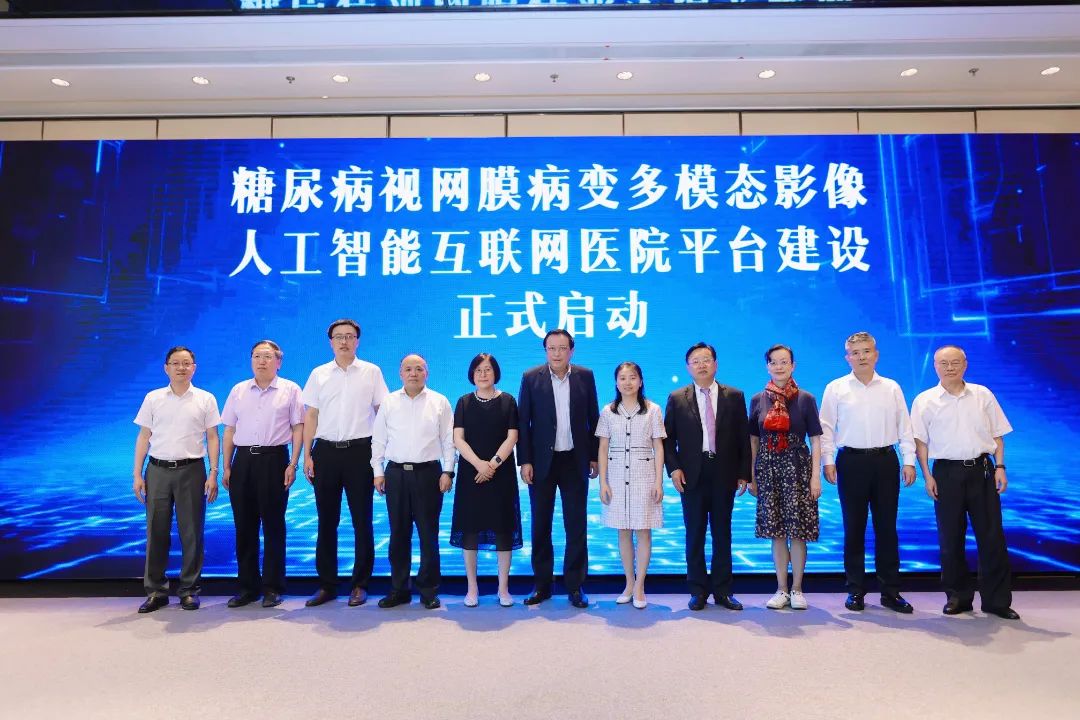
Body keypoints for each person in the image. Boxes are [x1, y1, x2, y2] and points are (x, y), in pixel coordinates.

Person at [911, 345, 1019, 620]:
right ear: (935, 366)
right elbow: (920, 442)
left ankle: (996, 601)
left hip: (982, 470)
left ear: (965, 364)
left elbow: (997, 435)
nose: (950, 367)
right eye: (944, 363)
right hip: (945, 473)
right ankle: (958, 597)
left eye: (955, 362)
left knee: (992, 537)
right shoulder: (924, 400)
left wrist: (1000, 467)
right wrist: (927, 476)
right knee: (950, 538)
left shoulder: (983, 394)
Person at [820, 331, 916, 613]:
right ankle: (855, 590)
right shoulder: (836, 388)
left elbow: (904, 425)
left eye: (866, 351)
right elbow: (826, 428)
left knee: (887, 528)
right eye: (855, 352)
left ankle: (890, 592)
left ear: (876, 354)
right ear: (847, 357)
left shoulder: (891, 387)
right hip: (850, 462)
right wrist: (828, 460)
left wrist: (909, 460)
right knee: (854, 528)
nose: (861, 357)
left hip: (885, 461)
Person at [301, 319, 389, 608]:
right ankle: (327, 585)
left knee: (362, 520)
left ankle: (360, 584)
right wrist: (307, 454)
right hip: (325, 452)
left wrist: (380, 457)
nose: (344, 341)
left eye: (349, 336)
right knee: (326, 521)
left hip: (360, 452)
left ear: (357, 341)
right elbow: (311, 415)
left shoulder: (371, 372)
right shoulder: (319, 374)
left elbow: (383, 412)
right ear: (330, 342)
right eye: (338, 337)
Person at [132, 346, 221, 613]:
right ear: (166, 368)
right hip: (157, 470)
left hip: (192, 470)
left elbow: (213, 437)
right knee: (156, 531)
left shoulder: (205, 398)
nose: (181, 368)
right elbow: (144, 436)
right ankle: (156, 591)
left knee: (191, 532)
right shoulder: (153, 398)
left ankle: (189, 590)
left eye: (186, 363)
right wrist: (137, 474)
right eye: (175, 363)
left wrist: (213, 472)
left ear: (194, 367)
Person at [663, 342, 751, 612]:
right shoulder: (677, 397)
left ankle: (723, 591)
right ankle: (698, 590)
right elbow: (667, 439)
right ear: (688, 367)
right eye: (695, 361)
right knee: (695, 533)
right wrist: (674, 468)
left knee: (723, 533)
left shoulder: (734, 396)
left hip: (724, 472)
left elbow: (743, 437)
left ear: (715, 364)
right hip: (691, 474)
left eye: (706, 359)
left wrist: (744, 473)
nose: (701, 365)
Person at [517, 329, 600, 609]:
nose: (557, 353)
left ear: (571, 351)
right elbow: (523, 423)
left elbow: (593, 418)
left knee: (576, 525)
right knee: (541, 524)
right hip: (542, 462)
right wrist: (525, 461)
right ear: (545, 350)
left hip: (575, 460)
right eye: (551, 348)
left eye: (562, 348)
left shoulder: (585, 376)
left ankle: (575, 586)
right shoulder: (531, 377)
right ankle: (542, 585)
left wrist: (594, 457)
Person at [220, 340, 304, 609]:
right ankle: (247, 587)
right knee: (244, 526)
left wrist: (293, 463)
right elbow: (229, 430)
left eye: (267, 356)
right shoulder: (238, 390)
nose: (261, 361)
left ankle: (272, 587)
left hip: (274, 459)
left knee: (273, 525)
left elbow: (298, 428)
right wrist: (227, 465)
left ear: (278, 362)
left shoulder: (290, 389)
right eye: (257, 356)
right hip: (243, 460)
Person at [372, 354, 456, 609]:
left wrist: (448, 471)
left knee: (428, 534)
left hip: (429, 474)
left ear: (426, 373)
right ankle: (399, 589)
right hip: (396, 474)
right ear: (400, 373)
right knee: (398, 534)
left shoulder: (439, 401)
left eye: (419, 369)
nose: (413, 373)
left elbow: (448, 440)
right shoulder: (389, 402)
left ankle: (428, 590)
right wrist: (378, 471)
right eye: (408, 369)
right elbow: (379, 439)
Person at [747, 345, 822, 611]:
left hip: (798, 468)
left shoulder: (806, 398)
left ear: (793, 365)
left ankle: (797, 589)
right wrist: (752, 475)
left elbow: (815, 440)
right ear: (767, 366)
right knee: (776, 532)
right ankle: (781, 589)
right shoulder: (758, 399)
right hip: (768, 469)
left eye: (784, 362)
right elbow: (753, 441)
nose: (779, 367)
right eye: (773, 362)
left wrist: (815, 477)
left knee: (798, 532)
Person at [450, 353, 522, 608]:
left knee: (503, 530)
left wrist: (492, 464)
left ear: (496, 373)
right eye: (478, 370)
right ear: (472, 374)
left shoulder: (508, 401)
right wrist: (479, 464)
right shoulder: (464, 402)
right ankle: (472, 588)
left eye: (488, 369)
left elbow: (512, 437)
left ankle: (503, 588)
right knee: (470, 531)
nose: (483, 374)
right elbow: (458, 439)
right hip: (471, 475)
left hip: (501, 474)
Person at [596, 361, 666, 609]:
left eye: (632, 377)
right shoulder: (608, 411)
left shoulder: (653, 410)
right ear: (616, 382)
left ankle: (640, 586)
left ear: (641, 381)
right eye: (623, 378)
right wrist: (603, 482)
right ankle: (628, 583)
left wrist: (659, 481)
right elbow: (602, 448)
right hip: (616, 476)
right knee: (623, 531)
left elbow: (659, 447)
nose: (628, 382)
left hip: (644, 475)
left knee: (643, 531)